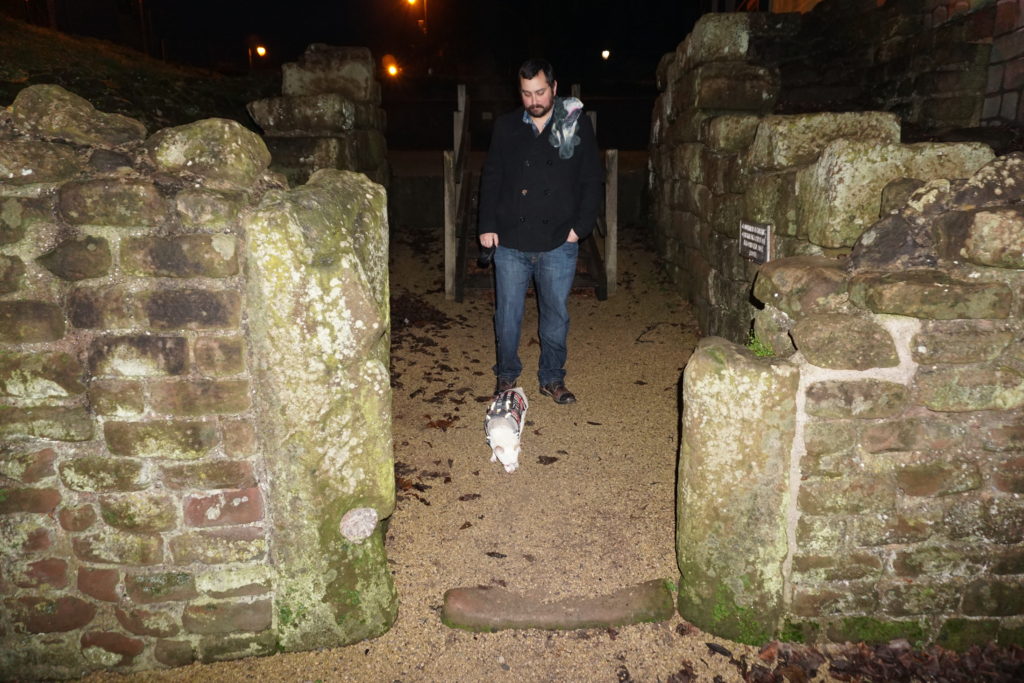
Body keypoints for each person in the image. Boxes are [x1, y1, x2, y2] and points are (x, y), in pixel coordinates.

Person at [478, 58, 603, 404]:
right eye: (527, 93)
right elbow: (492, 176)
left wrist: (580, 228)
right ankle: (506, 375)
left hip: (559, 239)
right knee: (507, 315)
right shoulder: (506, 127)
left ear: (554, 88)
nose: (534, 100)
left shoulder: (576, 125)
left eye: (540, 92)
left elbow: (592, 178)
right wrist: (486, 224)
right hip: (510, 239)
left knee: (555, 315)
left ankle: (552, 377)